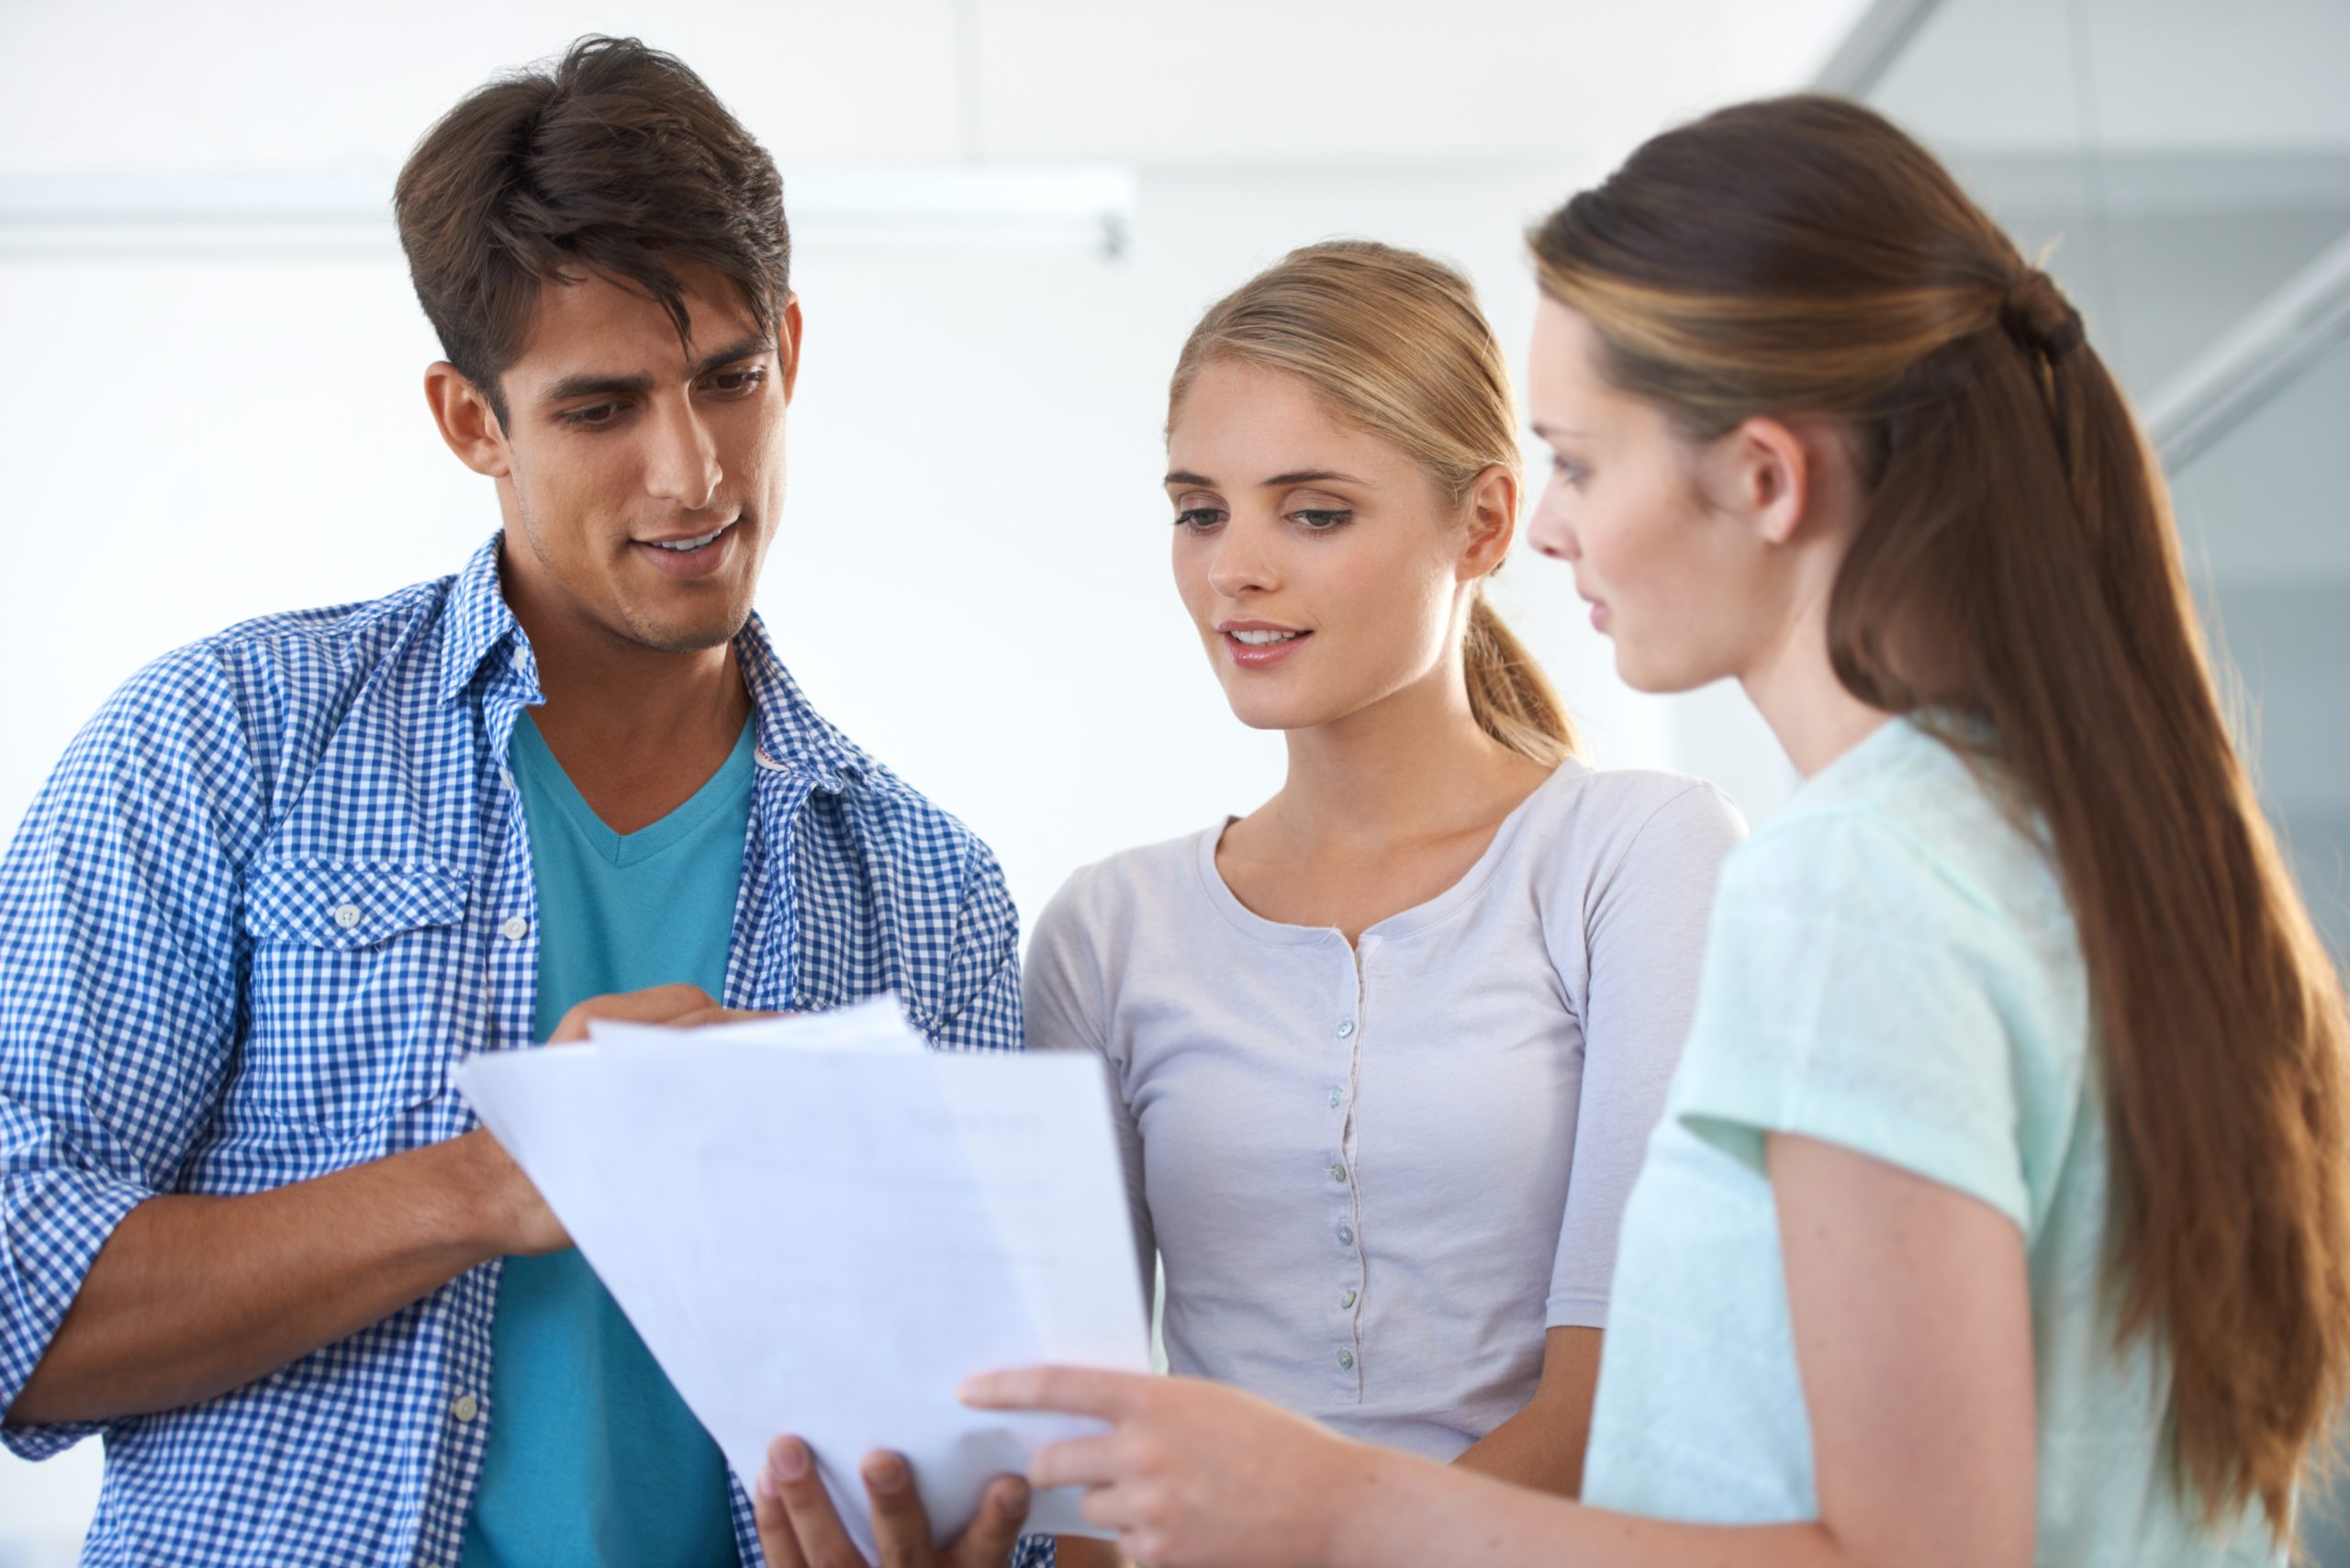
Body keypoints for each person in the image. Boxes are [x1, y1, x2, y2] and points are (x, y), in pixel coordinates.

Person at [923, 95, 2350, 1567]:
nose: (1550, 526)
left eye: (1583, 462)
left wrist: (1332, 1511)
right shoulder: (2043, 842)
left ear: (1763, 478)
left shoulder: (1842, 877)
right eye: (1199, 511)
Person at [0, 37, 1037, 1568]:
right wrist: (487, 1183)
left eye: (730, 382)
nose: (693, 476)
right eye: (601, 408)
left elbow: (983, 1469)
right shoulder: (223, 746)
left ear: (792, 352)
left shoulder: (928, 889)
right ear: (470, 419)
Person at [753, 241, 1743, 1568]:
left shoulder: (1638, 857)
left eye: (1314, 512)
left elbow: (1616, 1395)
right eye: (1200, 509)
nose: (1236, 569)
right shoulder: (1109, 931)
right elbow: (1088, 1456)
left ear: (1486, 524)